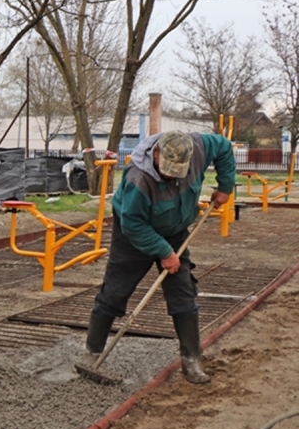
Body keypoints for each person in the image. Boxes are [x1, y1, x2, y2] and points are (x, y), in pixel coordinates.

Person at [84, 130, 236, 384]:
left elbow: (224, 147)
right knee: (115, 292)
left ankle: (191, 360)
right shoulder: (138, 179)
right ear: (156, 153)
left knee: (182, 292)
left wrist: (225, 186)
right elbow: (133, 224)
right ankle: (92, 353)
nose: (169, 175)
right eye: (166, 169)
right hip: (134, 236)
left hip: (175, 230)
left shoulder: (199, 147)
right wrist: (164, 252)